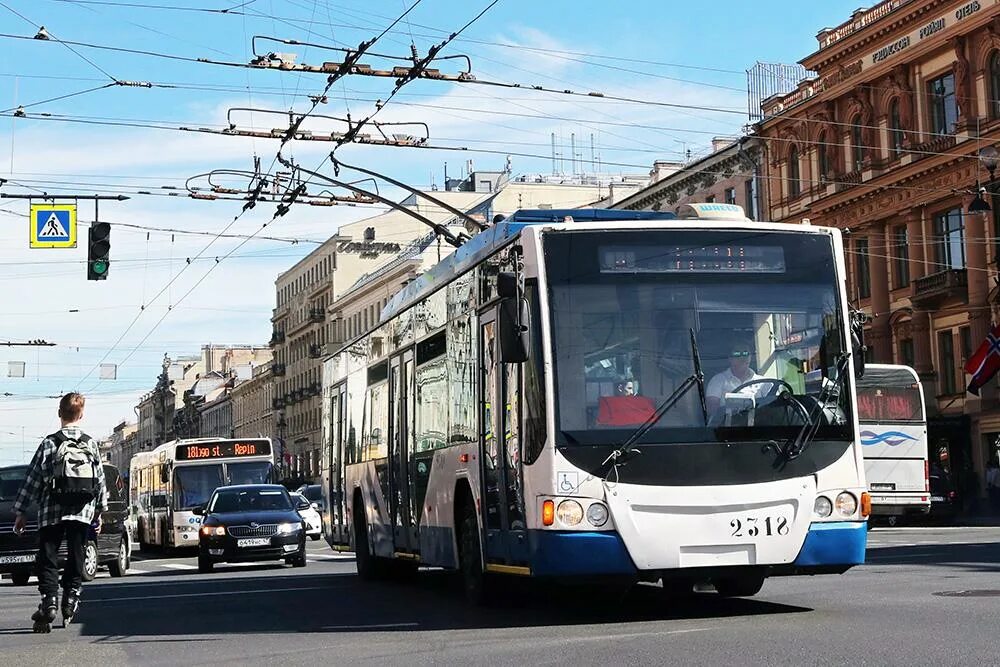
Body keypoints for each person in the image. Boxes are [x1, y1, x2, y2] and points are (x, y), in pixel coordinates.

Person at [13, 392, 107, 632]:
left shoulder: (49, 443)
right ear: (81, 414)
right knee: (77, 554)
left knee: (48, 556)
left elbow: (32, 479)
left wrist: (21, 512)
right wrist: (100, 511)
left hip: (51, 510)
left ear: (59, 413)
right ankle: (71, 597)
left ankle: (50, 600)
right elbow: (99, 480)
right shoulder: (90, 443)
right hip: (81, 511)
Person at [706, 341, 766, 414]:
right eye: (737, 354)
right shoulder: (717, 381)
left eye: (745, 353)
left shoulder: (763, 383)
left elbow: (774, 408)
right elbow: (712, 413)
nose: (742, 357)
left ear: (751, 357)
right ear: (730, 358)